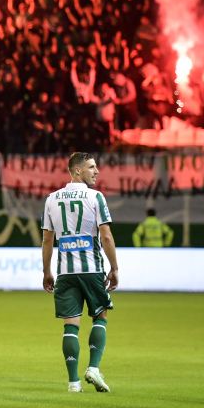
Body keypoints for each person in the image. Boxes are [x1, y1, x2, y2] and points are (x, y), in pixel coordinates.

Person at [41, 152, 119, 393]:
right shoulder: (95, 197)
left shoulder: (51, 199)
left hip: (65, 273)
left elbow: (47, 240)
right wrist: (114, 268)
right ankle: (93, 368)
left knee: (70, 327)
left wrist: (47, 271)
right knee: (100, 316)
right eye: (91, 167)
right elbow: (106, 235)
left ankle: (73, 382)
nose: (97, 171)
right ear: (77, 170)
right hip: (92, 269)